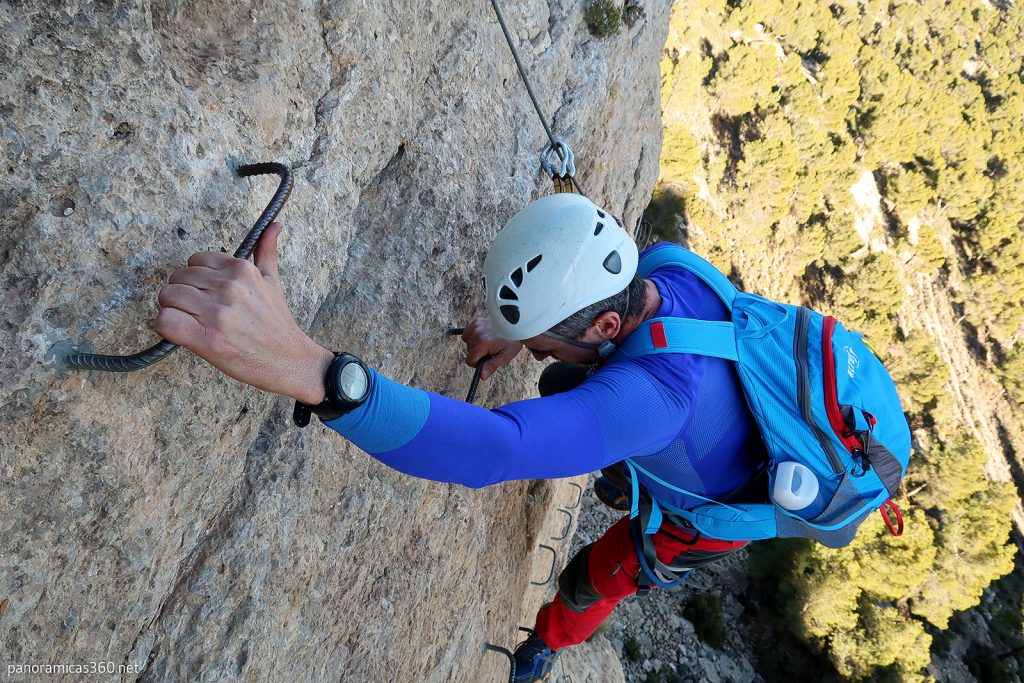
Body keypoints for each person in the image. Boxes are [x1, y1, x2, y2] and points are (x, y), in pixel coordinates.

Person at [154, 192, 767, 682]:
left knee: (601, 575)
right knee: (561, 380)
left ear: (607, 324)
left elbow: (497, 449)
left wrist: (308, 368)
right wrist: (520, 326)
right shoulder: (663, 266)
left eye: (543, 341)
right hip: (700, 408)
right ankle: (622, 467)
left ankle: (546, 647)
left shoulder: (654, 399)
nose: (532, 353)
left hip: (711, 510)